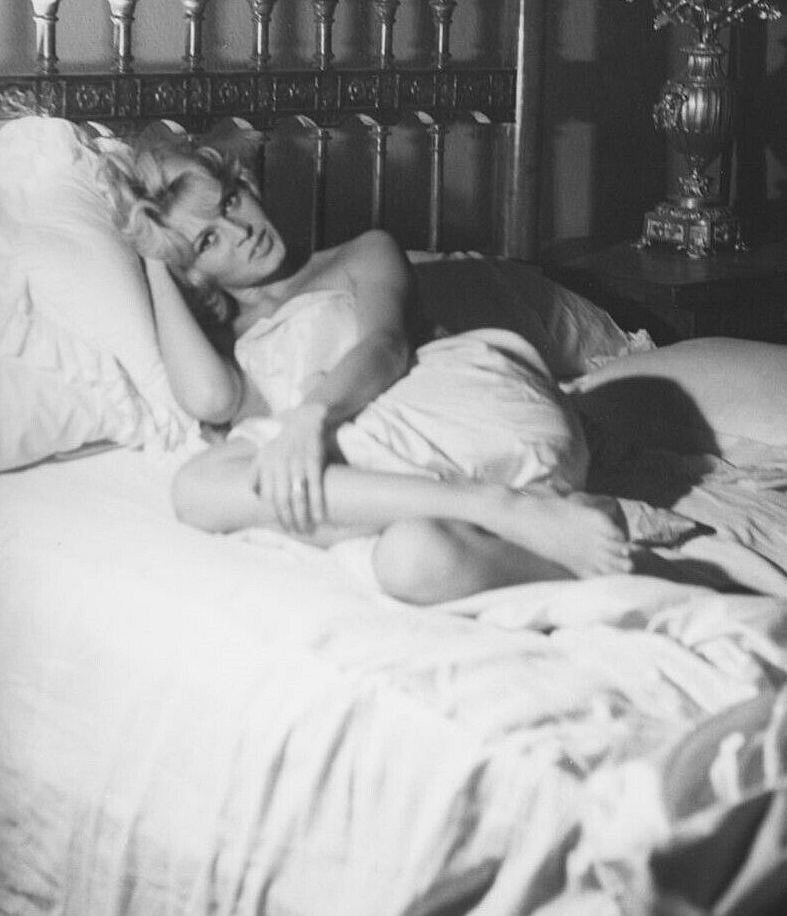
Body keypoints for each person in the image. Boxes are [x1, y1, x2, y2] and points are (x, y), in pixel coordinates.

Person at [116, 131, 631, 603]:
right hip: (419, 466)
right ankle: (563, 541)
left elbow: (386, 346)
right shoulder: (230, 348)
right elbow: (207, 399)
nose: (240, 231)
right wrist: (154, 258)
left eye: (230, 201)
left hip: (469, 404)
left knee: (199, 488)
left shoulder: (362, 253)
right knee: (412, 560)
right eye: (207, 241)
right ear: (193, 274)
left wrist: (311, 417)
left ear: (246, 185)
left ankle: (497, 506)